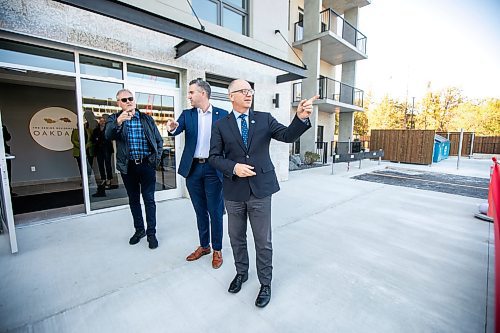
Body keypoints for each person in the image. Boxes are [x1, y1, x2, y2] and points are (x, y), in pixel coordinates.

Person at [209, 79, 318, 308]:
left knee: (263, 241)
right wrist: (233, 167)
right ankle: (242, 273)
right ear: (231, 96)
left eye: (251, 91)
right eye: (243, 91)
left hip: (260, 190)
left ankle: (265, 283)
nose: (249, 94)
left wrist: (300, 118)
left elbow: (287, 136)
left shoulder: (264, 119)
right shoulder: (220, 125)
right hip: (234, 191)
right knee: (237, 238)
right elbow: (214, 157)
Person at [166, 79, 228, 269]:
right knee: (200, 210)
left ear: (203, 93)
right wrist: (171, 128)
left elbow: (230, 141)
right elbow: (176, 130)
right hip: (193, 169)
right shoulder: (187, 114)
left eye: (192, 92)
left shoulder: (222, 115)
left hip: (213, 169)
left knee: (215, 211)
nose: (189, 96)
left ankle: (217, 249)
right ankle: (204, 246)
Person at [105, 89, 163, 249]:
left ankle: (151, 233)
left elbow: (159, 141)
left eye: (130, 98)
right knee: (134, 200)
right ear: (119, 103)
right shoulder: (114, 119)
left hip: (146, 165)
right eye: (124, 100)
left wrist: (155, 161)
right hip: (128, 166)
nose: (128, 101)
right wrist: (118, 122)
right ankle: (139, 230)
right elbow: (108, 135)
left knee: (149, 200)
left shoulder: (146, 118)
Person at [91, 116, 114, 197]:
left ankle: (109, 179)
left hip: (107, 149)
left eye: (104, 121)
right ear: (99, 122)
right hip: (99, 150)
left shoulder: (108, 130)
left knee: (108, 165)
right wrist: (97, 139)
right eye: (101, 121)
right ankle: (103, 179)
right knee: (100, 165)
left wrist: (99, 139)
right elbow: (93, 139)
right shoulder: (95, 130)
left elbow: (110, 138)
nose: (102, 122)